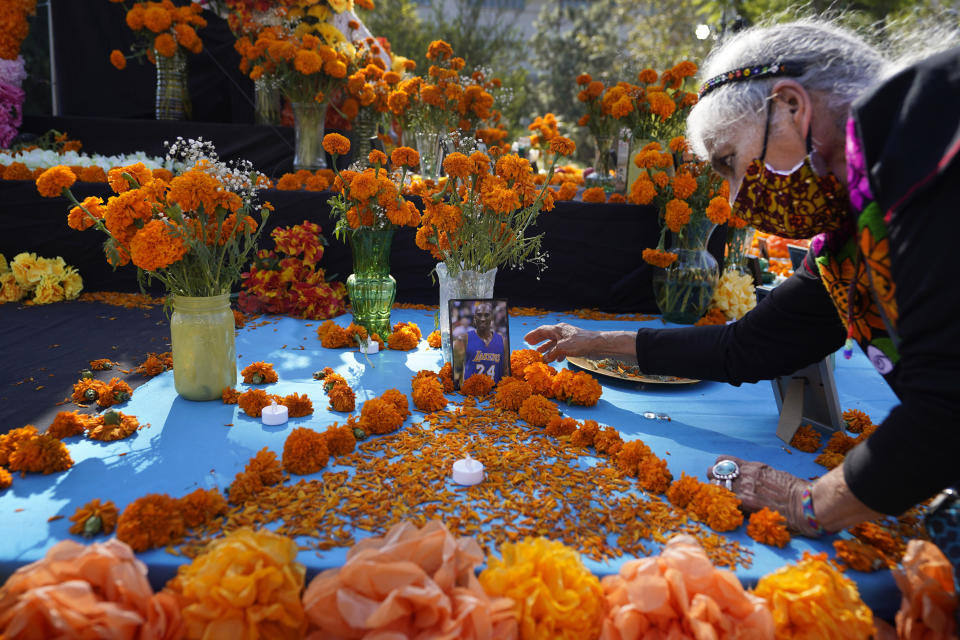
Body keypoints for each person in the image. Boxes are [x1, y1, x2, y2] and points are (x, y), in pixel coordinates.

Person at [526, 20, 960, 550]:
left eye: (729, 163)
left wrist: (812, 504)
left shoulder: (935, 155)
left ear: (792, 108)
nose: (732, 201)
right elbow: (751, 346)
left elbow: (947, 407)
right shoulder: (852, 231)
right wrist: (597, 344)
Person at [454, 301, 506, 385]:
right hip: (470, 391)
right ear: (474, 318)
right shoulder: (464, 339)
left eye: (486, 315)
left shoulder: (502, 340)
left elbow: (506, 371)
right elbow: (456, 371)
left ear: (492, 318)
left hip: (494, 392)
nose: (482, 319)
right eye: (479, 315)